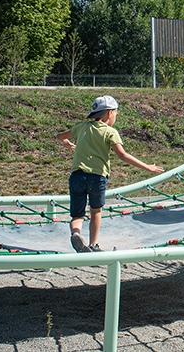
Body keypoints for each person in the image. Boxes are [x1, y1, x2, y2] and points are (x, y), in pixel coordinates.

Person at [56, 95, 163, 253]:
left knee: (77, 215)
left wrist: (67, 143)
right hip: (97, 178)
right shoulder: (110, 132)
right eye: (116, 113)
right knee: (96, 211)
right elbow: (122, 155)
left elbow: (59, 136)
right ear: (109, 113)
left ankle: (76, 234)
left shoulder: (81, 127)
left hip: (77, 177)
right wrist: (147, 167)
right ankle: (93, 244)